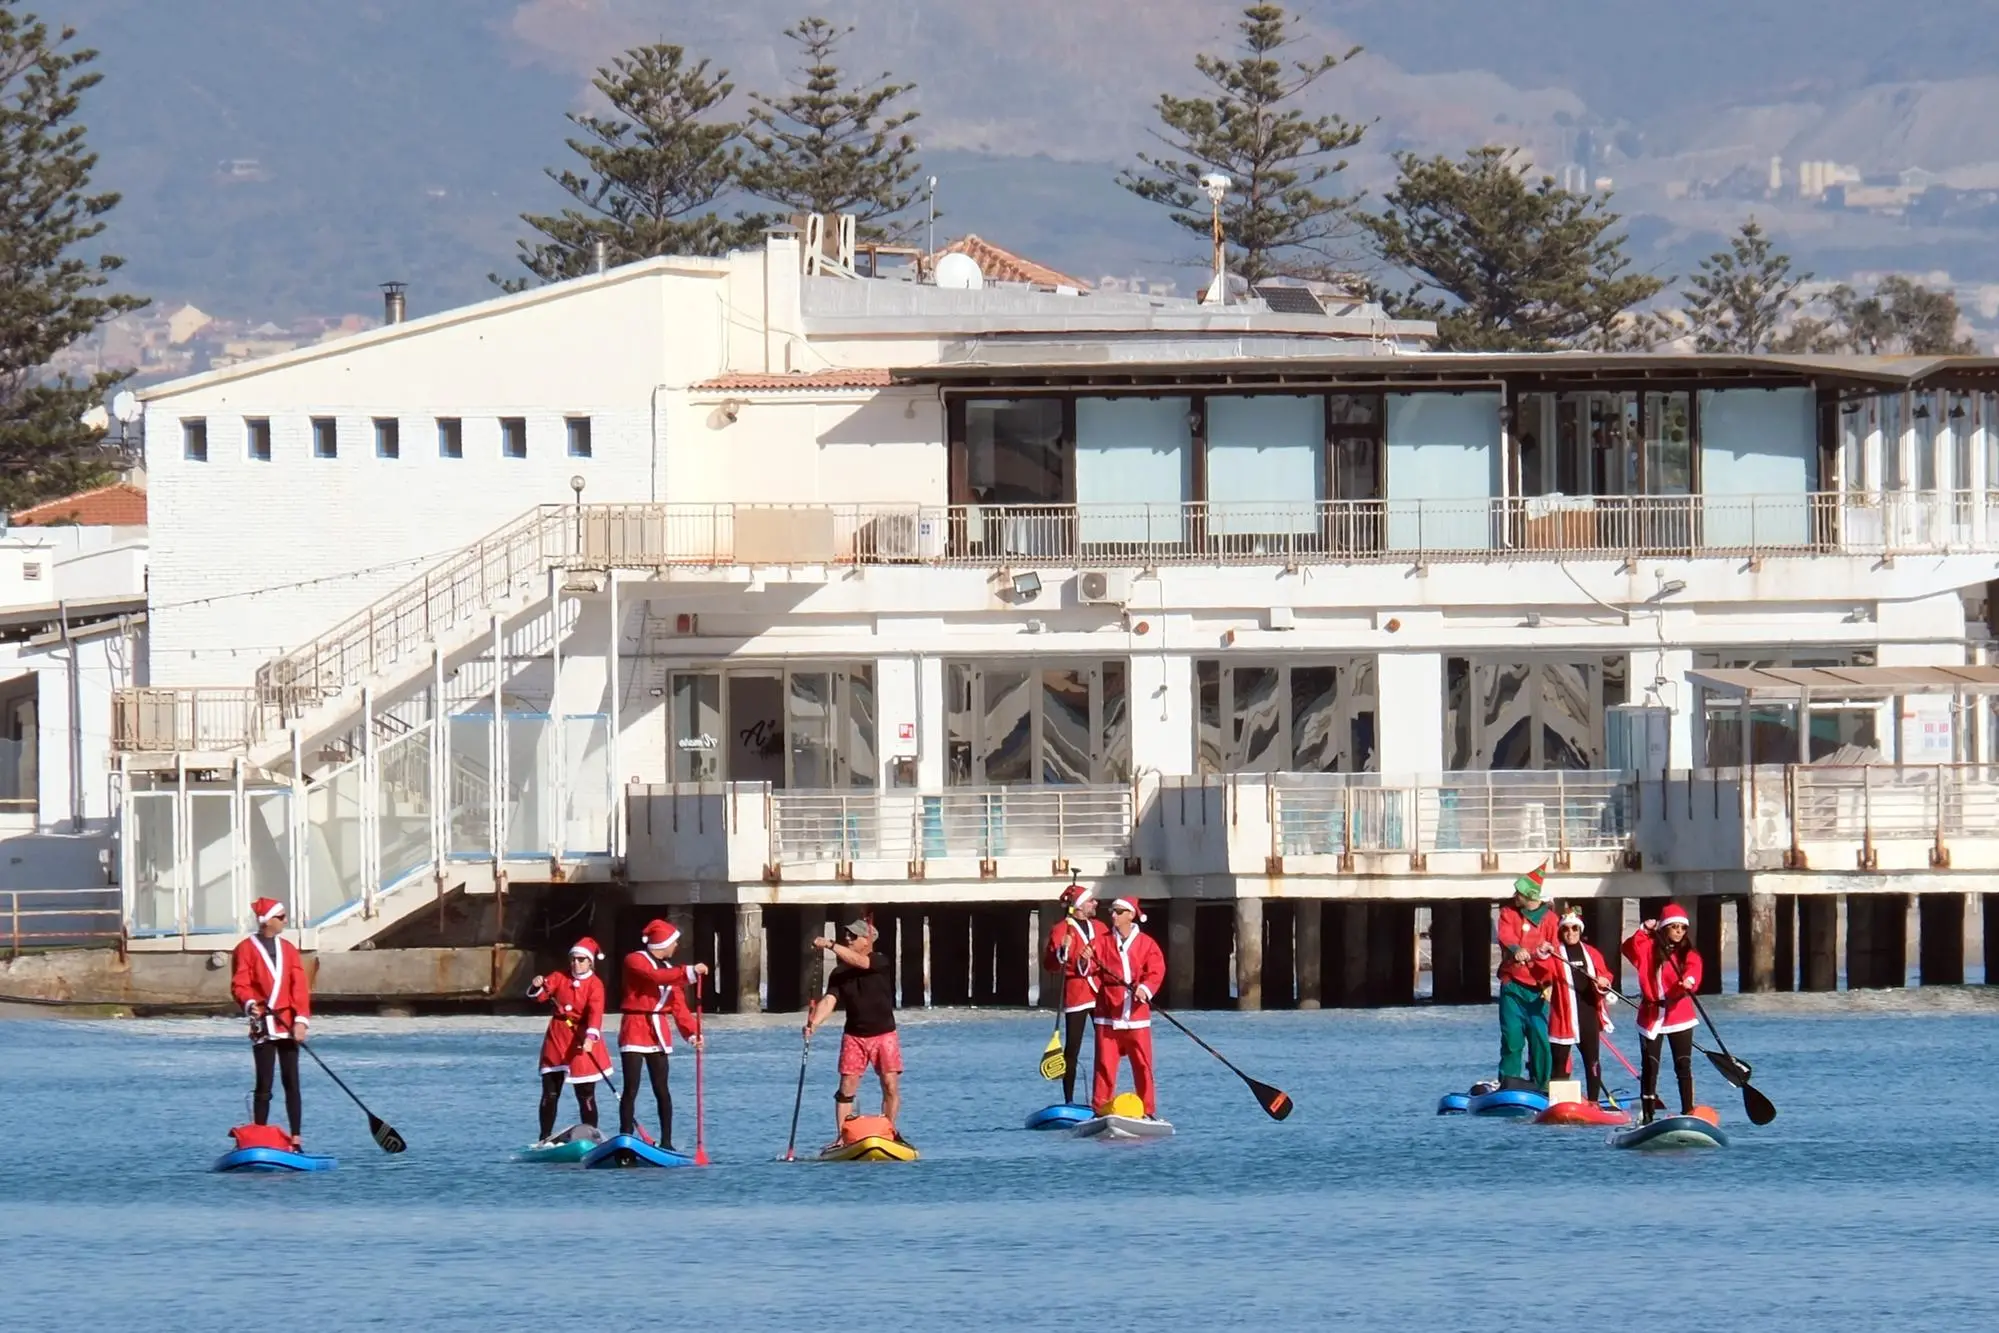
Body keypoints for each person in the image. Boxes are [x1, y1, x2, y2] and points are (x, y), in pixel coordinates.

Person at [804, 918, 900, 1139]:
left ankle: (889, 1131)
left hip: (884, 1034)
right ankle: (842, 1137)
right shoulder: (839, 973)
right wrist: (813, 1024)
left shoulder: (879, 961)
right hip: (854, 1036)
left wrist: (830, 945)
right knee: (847, 1087)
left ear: (867, 941)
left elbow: (861, 963)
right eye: (845, 935)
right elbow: (830, 1000)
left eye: (852, 936)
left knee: (890, 1084)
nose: (847, 938)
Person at [614, 919, 707, 1146]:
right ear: (662, 943)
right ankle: (625, 1136)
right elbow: (654, 977)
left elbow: (679, 1008)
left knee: (662, 1089)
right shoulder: (634, 960)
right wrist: (690, 972)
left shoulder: (671, 971)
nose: (676, 947)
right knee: (631, 1088)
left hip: (658, 1031)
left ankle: (667, 1142)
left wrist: (692, 1034)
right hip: (635, 1027)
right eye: (673, 943)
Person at [230, 897, 312, 1149]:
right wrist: (248, 1003)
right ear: (268, 921)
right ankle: (259, 1136)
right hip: (263, 1023)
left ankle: (296, 1138)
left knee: (292, 1081)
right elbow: (240, 984)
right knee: (263, 1083)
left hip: (287, 1022)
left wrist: (301, 1021)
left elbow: (299, 986)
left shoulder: (289, 949)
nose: (286, 921)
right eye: (282, 916)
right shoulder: (244, 949)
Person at [1084, 896, 1166, 1118]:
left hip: (1137, 1016)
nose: (1113, 915)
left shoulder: (1147, 944)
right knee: (1104, 1065)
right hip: (1108, 1015)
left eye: (1119, 912)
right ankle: (1100, 1110)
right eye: (1112, 911)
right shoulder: (1101, 942)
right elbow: (1088, 969)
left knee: (1142, 1065)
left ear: (1131, 915)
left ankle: (1147, 1110)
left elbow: (1156, 970)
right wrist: (1085, 959)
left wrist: (1145, 989)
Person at [1622, 903, 1703, 1125]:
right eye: (1674, 927)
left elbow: (1694, 968)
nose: (1679, 931)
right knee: (1650, 1066)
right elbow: (1628, 948)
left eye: (1682, 928)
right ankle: (1648, 1116)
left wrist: (1689, 981)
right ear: (1664, 928)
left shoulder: (1688, 952)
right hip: (1651, 1014)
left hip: (1679, 1014)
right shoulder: (1647, 949)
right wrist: (1642, 930)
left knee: (1683, 1064)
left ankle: (1688, 1111)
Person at [528, 938, 610, 1144]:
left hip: (581, 1038)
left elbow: (595, 1013)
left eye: (581, 960)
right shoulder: (559, 977)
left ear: (590, 962)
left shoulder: (595, 985)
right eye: (573, 959)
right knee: (550, 1092)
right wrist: (537, 984)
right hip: (557, 1037)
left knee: (586, 1094)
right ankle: (544, 1138)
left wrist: (591, 1037)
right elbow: (539, 996)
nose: (576, 963)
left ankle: (592, 1137)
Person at [1495, 862, 1558, 1091]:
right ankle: (1508, 1082)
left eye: (1518, 893)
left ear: (1529, 895)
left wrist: (1544, 958)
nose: (1514, 896)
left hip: (1539, 988)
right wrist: (1515, 949)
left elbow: (1555, 952)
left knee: (1540, 1038)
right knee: (1512, 1039)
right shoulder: (1508, 912)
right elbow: (1505, 935)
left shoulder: (1550, 919)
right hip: (1512, 985)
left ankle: (1542, 1085)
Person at [1544, 906, 1614, 1103]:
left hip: (1588, 1014)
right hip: (1563, 1018)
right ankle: (1557, 1102)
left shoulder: (1592, 953)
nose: (1570, 933)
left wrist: (1604, 981)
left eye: (1575, 929)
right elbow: (1543, 971)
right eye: (1566, 929)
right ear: (1561, 932)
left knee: (1592, 1061)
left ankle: (1593, 1101)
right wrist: (1542, 954)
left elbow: (1606, 974)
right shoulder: (1556, 954)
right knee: (1559, 1063)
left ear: (1580, 930)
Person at [1043, 879, 1104, 1106]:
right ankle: (1069, 1100)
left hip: (1100, 993)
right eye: (1090, 901)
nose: (1095, 903)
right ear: (1079, 906)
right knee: (1073, 1049)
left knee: (1106, 1046)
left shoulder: (1101, 928)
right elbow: (1051, 964)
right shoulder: (1061, 930)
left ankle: (1102, 1097)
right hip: (1076, 993)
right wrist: (1063, 949)